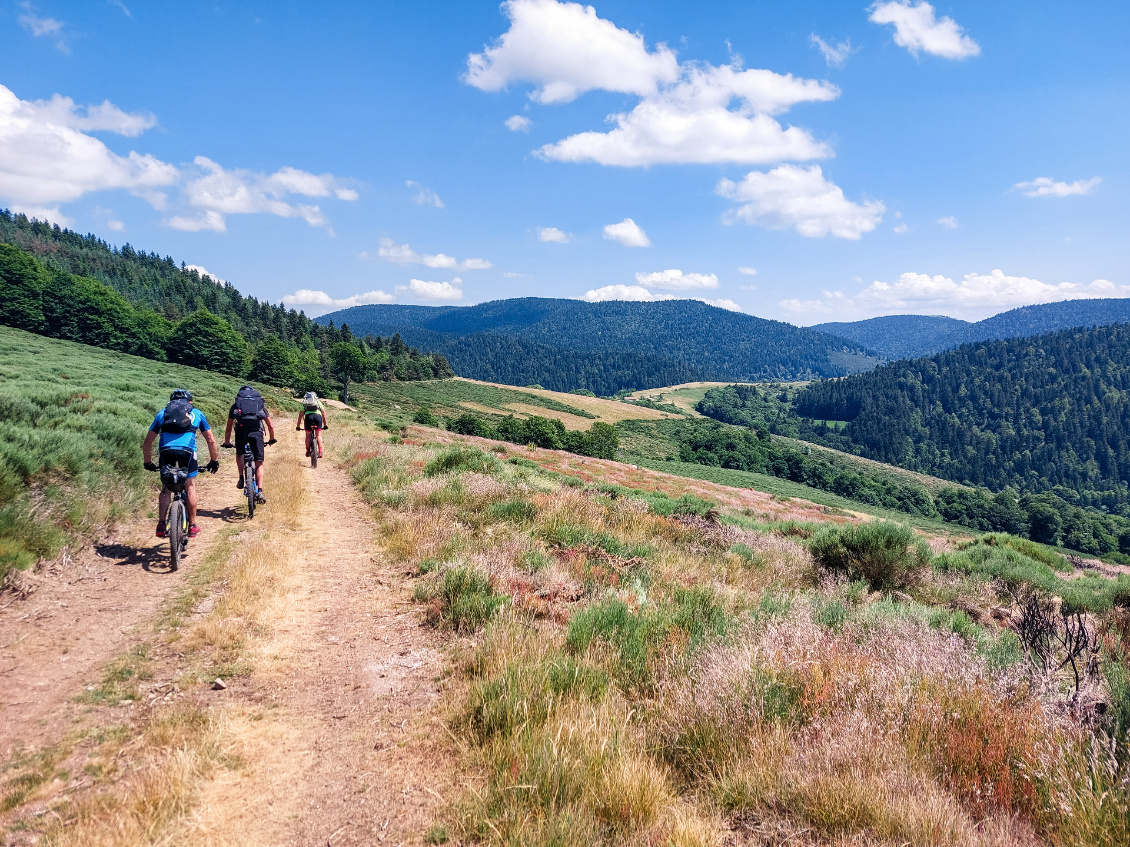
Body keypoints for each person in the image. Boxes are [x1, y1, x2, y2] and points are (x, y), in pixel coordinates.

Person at [142, 389, 219, 538]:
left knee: (166, 488)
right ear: (190, 402)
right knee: (189, 486)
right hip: (188, 451)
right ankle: (192, 526)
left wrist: (147, 462)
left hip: (166, 452)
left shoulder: (162, 414)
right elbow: (210, 440)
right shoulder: (196, 413)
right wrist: (214, 460)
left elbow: (147, 443)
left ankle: (161, 524)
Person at [221, 385, 276, 502]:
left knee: (240, 454)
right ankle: (260, 491)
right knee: (259, 463)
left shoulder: (236, 405)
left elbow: (229, 427)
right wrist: (272, 439)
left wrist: (227, 442)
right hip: (256, 433)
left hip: (241, 433)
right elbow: (270, 426)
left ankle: (241, 477)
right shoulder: (260, 405)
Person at [296, 391, 329, 458]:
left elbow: (300, 417)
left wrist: (298, 426)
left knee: (308, 436)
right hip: (318, 417)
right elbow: (324, 415)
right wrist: (325, 425)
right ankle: (320, 452)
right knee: (318, 435)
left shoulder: (304, 404)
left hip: (308, 418)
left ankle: (308, 451)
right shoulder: (318, 403)